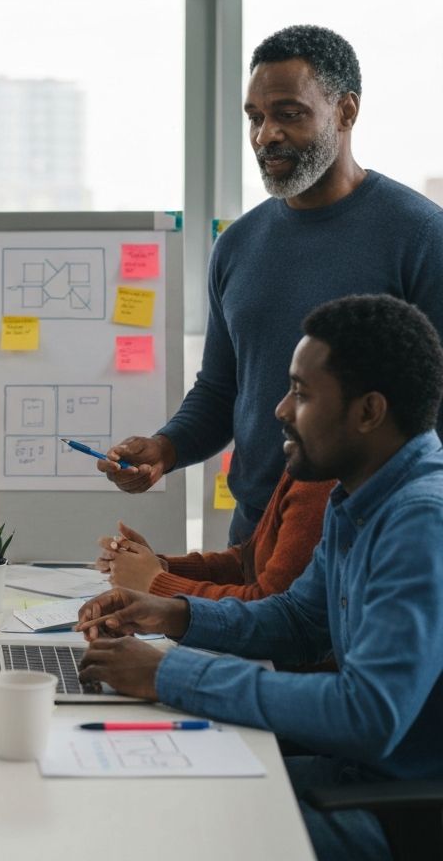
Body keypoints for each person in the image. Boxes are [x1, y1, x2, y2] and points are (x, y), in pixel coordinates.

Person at [77, 294, 443, 861]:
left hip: (398, 812)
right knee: (144, 799)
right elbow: (296, 618)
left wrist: (169, 674)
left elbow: (368, 714)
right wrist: (171, 612)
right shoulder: (361, 495)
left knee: (168, 835)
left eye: (300, 392)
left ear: (369, 412)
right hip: (355, 777)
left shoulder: (421, 521)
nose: (278, 409)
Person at [98, 25, 443, 544]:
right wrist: (165, 448)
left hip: (377, 539)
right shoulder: (238, 245)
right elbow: (222, 389)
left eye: (288, 114)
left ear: (346, 112)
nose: (265, 135)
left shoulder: (421, 235)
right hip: (254, 537)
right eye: (255, 118)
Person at [96, 472, 334, 601]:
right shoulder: (302, 469)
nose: (282, 410)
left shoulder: (320, 484)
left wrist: (156, 583)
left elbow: (271, 610)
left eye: (301, 394)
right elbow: (248, 565)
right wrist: (160, 568)